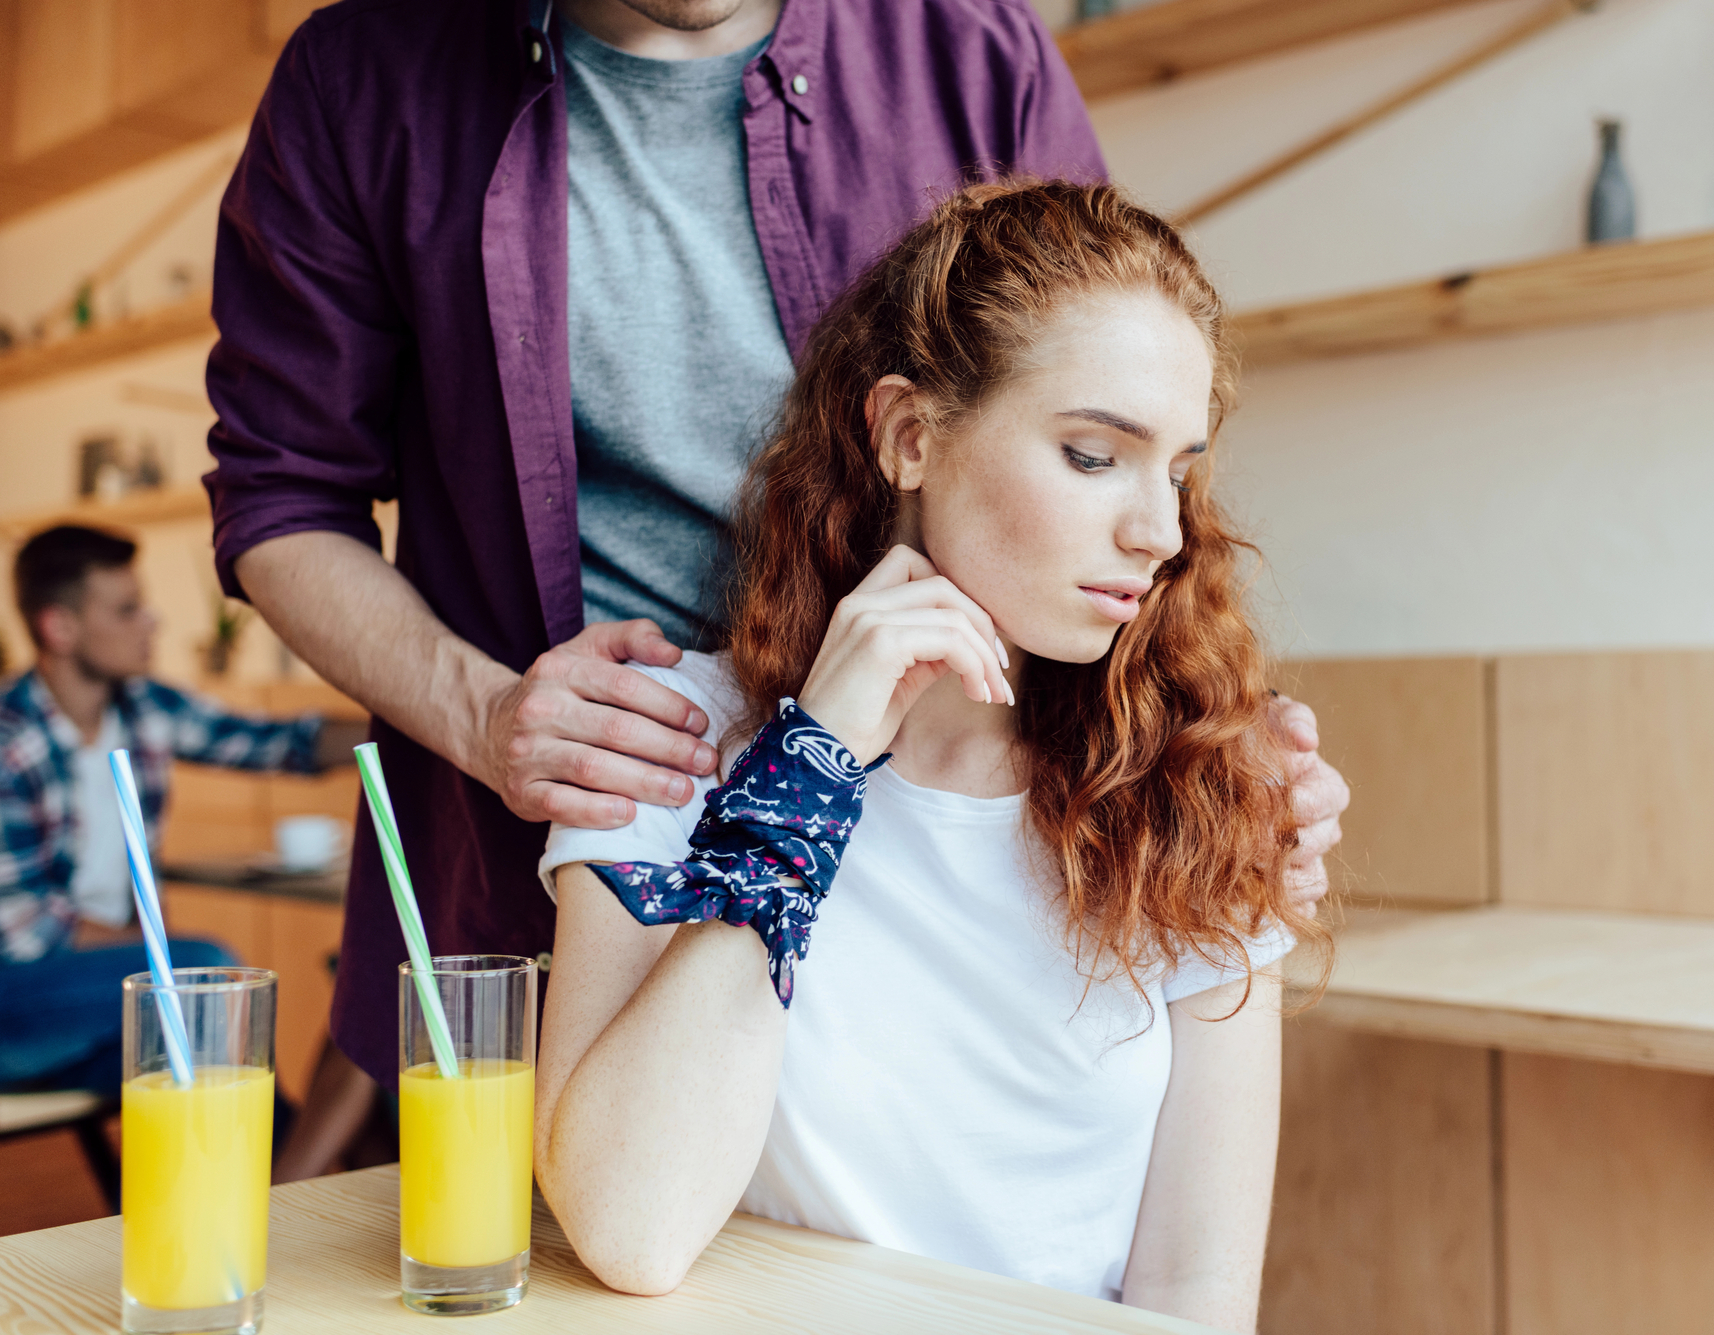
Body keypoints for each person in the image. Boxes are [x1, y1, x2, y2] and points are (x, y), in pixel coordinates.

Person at [205, 0, 1348, 1094]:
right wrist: (486, 715)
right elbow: (283, 497)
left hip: (929, 833)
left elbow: (1111, 403)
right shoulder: (359, 81)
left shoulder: (974, 51)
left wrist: (1203, 751)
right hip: (589, 831)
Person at [535, 181, 1324, 1334]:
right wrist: (811, 764)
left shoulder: (1199, 793)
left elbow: (1194, 1302)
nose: (1157, 532)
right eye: (1093, 455)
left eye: (1177, 470)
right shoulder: (666, 740)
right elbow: (629, 1228)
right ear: (909, 435)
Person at [0, 525, 363, 1097]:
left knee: (197, 1069)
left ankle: (273, 1169)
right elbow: (22, 928)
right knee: (204, 975)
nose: (152, 621)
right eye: (127, 610)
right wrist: (151, 952)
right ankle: (284, 1170)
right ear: (59, 627)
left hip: (104, 989)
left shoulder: (145, 710)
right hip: (18, 994)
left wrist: (406, 728)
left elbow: (276, 741)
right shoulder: (10, 745)